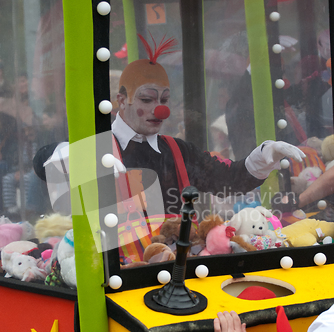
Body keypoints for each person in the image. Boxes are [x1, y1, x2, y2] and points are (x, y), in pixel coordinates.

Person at [37, 35, 305, 259]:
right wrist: (74, 154)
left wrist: (265, 155)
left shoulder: (178, 150)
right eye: (146, 99)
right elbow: (42, 162)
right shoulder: (98, 147)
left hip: (179, 266)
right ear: (122, 100)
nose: (159, 109)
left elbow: (230, 178)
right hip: (120, 274)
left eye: (164, 99)